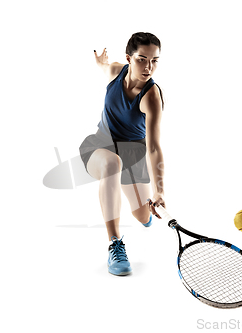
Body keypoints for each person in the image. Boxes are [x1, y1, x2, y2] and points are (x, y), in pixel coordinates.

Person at [79, 32, 166, 276]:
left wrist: (159, 191)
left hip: (134, 153)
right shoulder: (117, 71)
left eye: (155, 60)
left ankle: (143, 216)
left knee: (142, 214)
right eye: (142, 59)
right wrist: (100, 62)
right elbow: (105, 67)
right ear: (129, 58)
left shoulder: (151, 97)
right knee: (111, 164)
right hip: (100, 145)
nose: (149, 67)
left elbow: (154, 146)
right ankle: (115, 243)